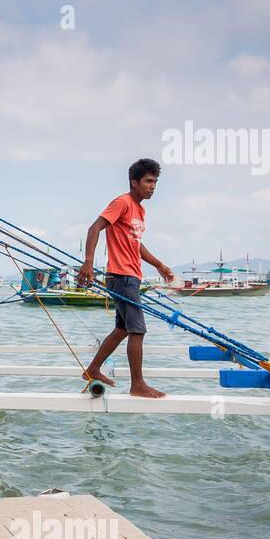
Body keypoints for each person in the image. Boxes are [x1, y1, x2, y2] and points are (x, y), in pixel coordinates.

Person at [77, 158, 174, 398]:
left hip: (131, 276)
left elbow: (136, 244)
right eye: (149, 181)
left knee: (122, 329)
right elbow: (95, 227)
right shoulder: (122, 202)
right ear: (134, 182)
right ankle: (137, 384)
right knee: (137, 331)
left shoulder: (140, 210)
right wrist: (88, 262)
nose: (153, 186)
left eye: (155, 182)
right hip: (122, 276)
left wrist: (159, 264)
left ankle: (93, 369)